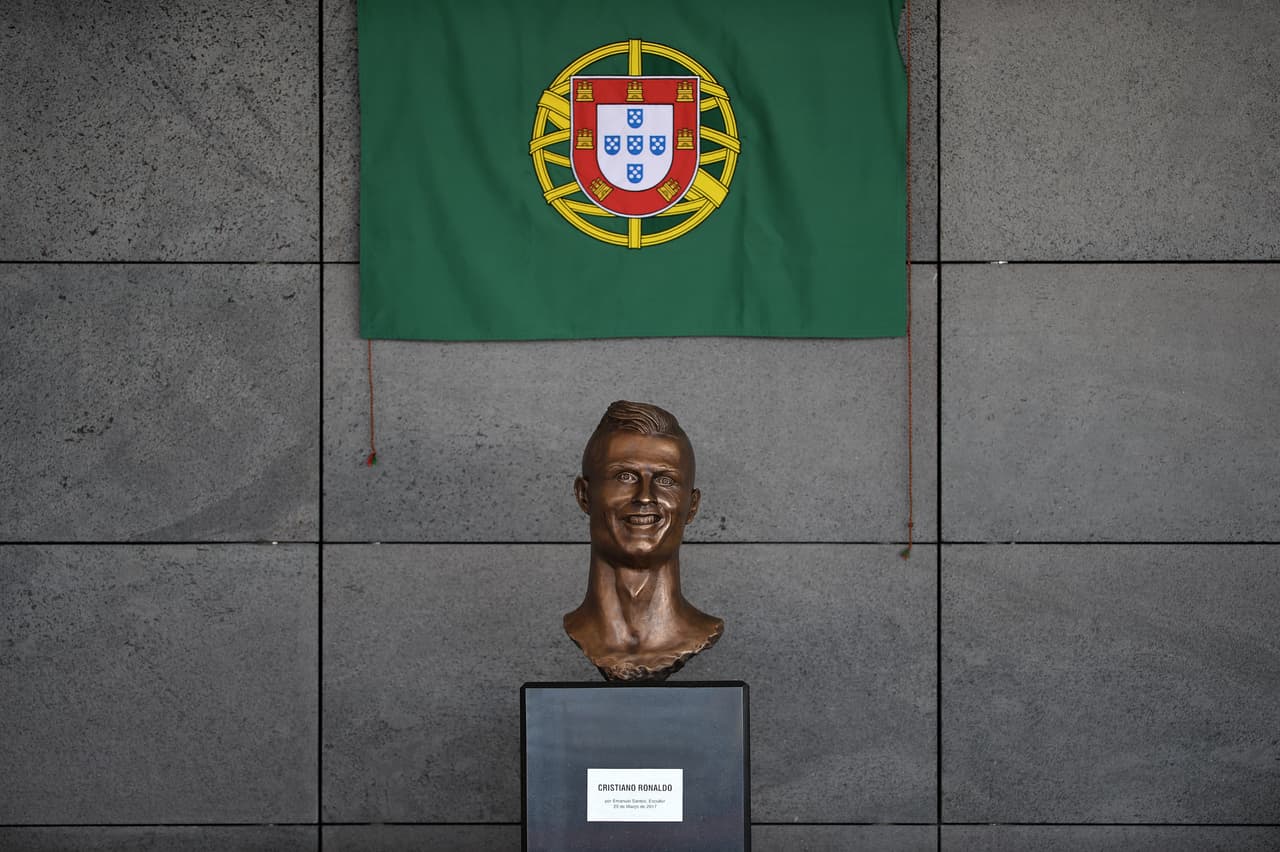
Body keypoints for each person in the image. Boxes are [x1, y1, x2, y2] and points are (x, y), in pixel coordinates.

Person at [564, 400, 723, 681]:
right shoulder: (577, 628)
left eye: (666, 480)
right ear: (584, 496)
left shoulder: (701, 630)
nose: (645, 497)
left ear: (692, 506)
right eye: (625, 476)